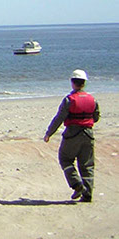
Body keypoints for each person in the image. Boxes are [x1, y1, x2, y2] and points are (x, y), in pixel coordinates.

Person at [44, 69, 101, 202]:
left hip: (72, 134)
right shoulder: (92, 99)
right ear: (84, 83)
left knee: (65, 159)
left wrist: (49, 133)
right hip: (88, 134)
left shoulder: (69, 100)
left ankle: (76, 184)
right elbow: (96, 117)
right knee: (87, 165)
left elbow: (59, 118)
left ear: (72, 82)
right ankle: (87, 194)